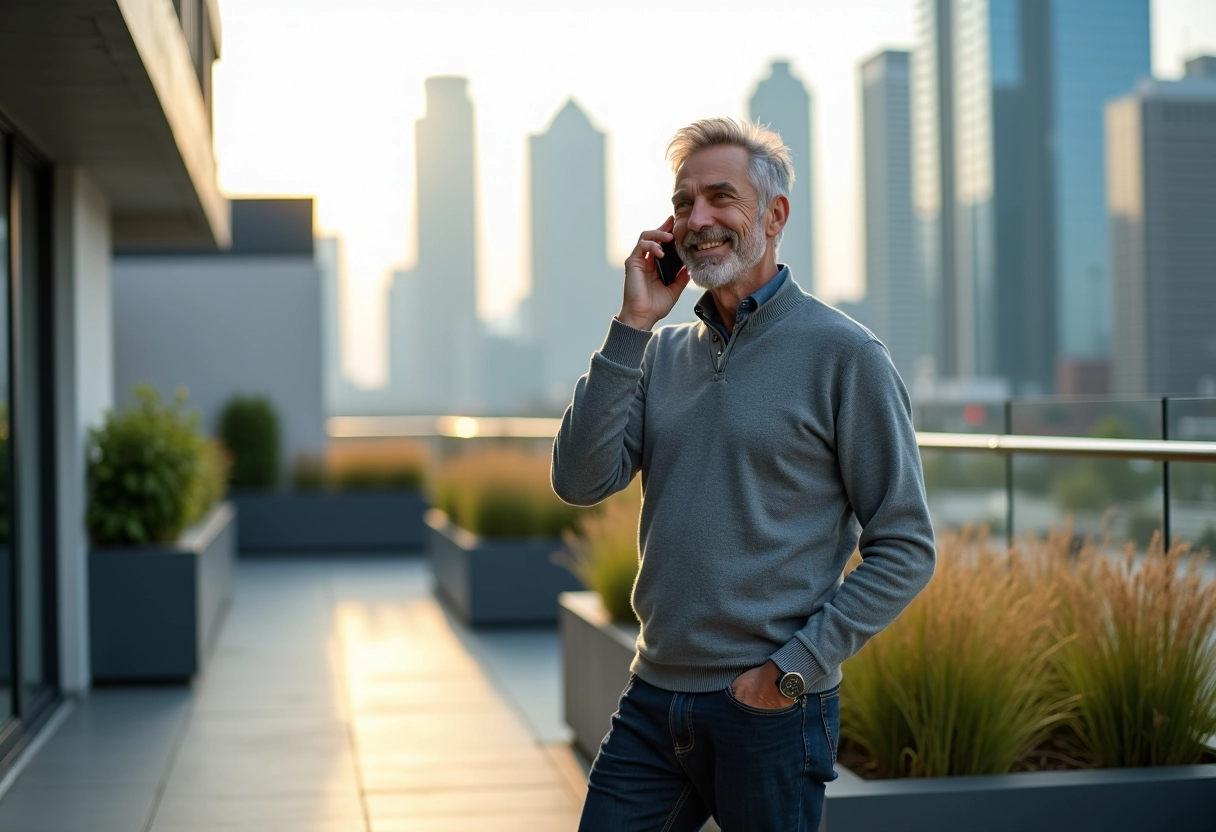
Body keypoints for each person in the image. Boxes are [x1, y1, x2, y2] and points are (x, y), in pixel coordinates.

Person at [551, 118, 936, 832]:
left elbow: (907, 545)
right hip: (653, 696)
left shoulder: (846, 356)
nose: (699, 220)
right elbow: (578, 479)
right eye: (684, 202)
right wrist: (632, 326)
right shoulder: (660, 357)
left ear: (775, 215)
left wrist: (791, 671)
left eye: (721, 198)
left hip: (769, 709)